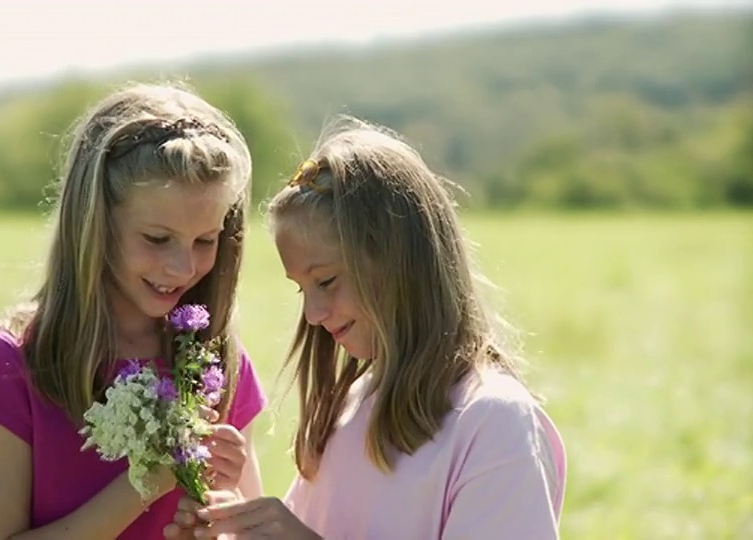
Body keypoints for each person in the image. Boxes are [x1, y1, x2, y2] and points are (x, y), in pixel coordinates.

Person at [166, 117, 567, 539]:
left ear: (400, 262)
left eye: (326, 281)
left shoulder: (494, 424)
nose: (314, 315)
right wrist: (230, 531)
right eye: (302, 290)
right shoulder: (351, 407)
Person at [0, 82, 268, 539]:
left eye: (206, 241)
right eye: (157, 239)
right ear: (95, 224)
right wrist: (147, 482)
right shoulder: (15, 364)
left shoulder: (214, 364)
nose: (184, 267)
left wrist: (223, 517)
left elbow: (242, 523)